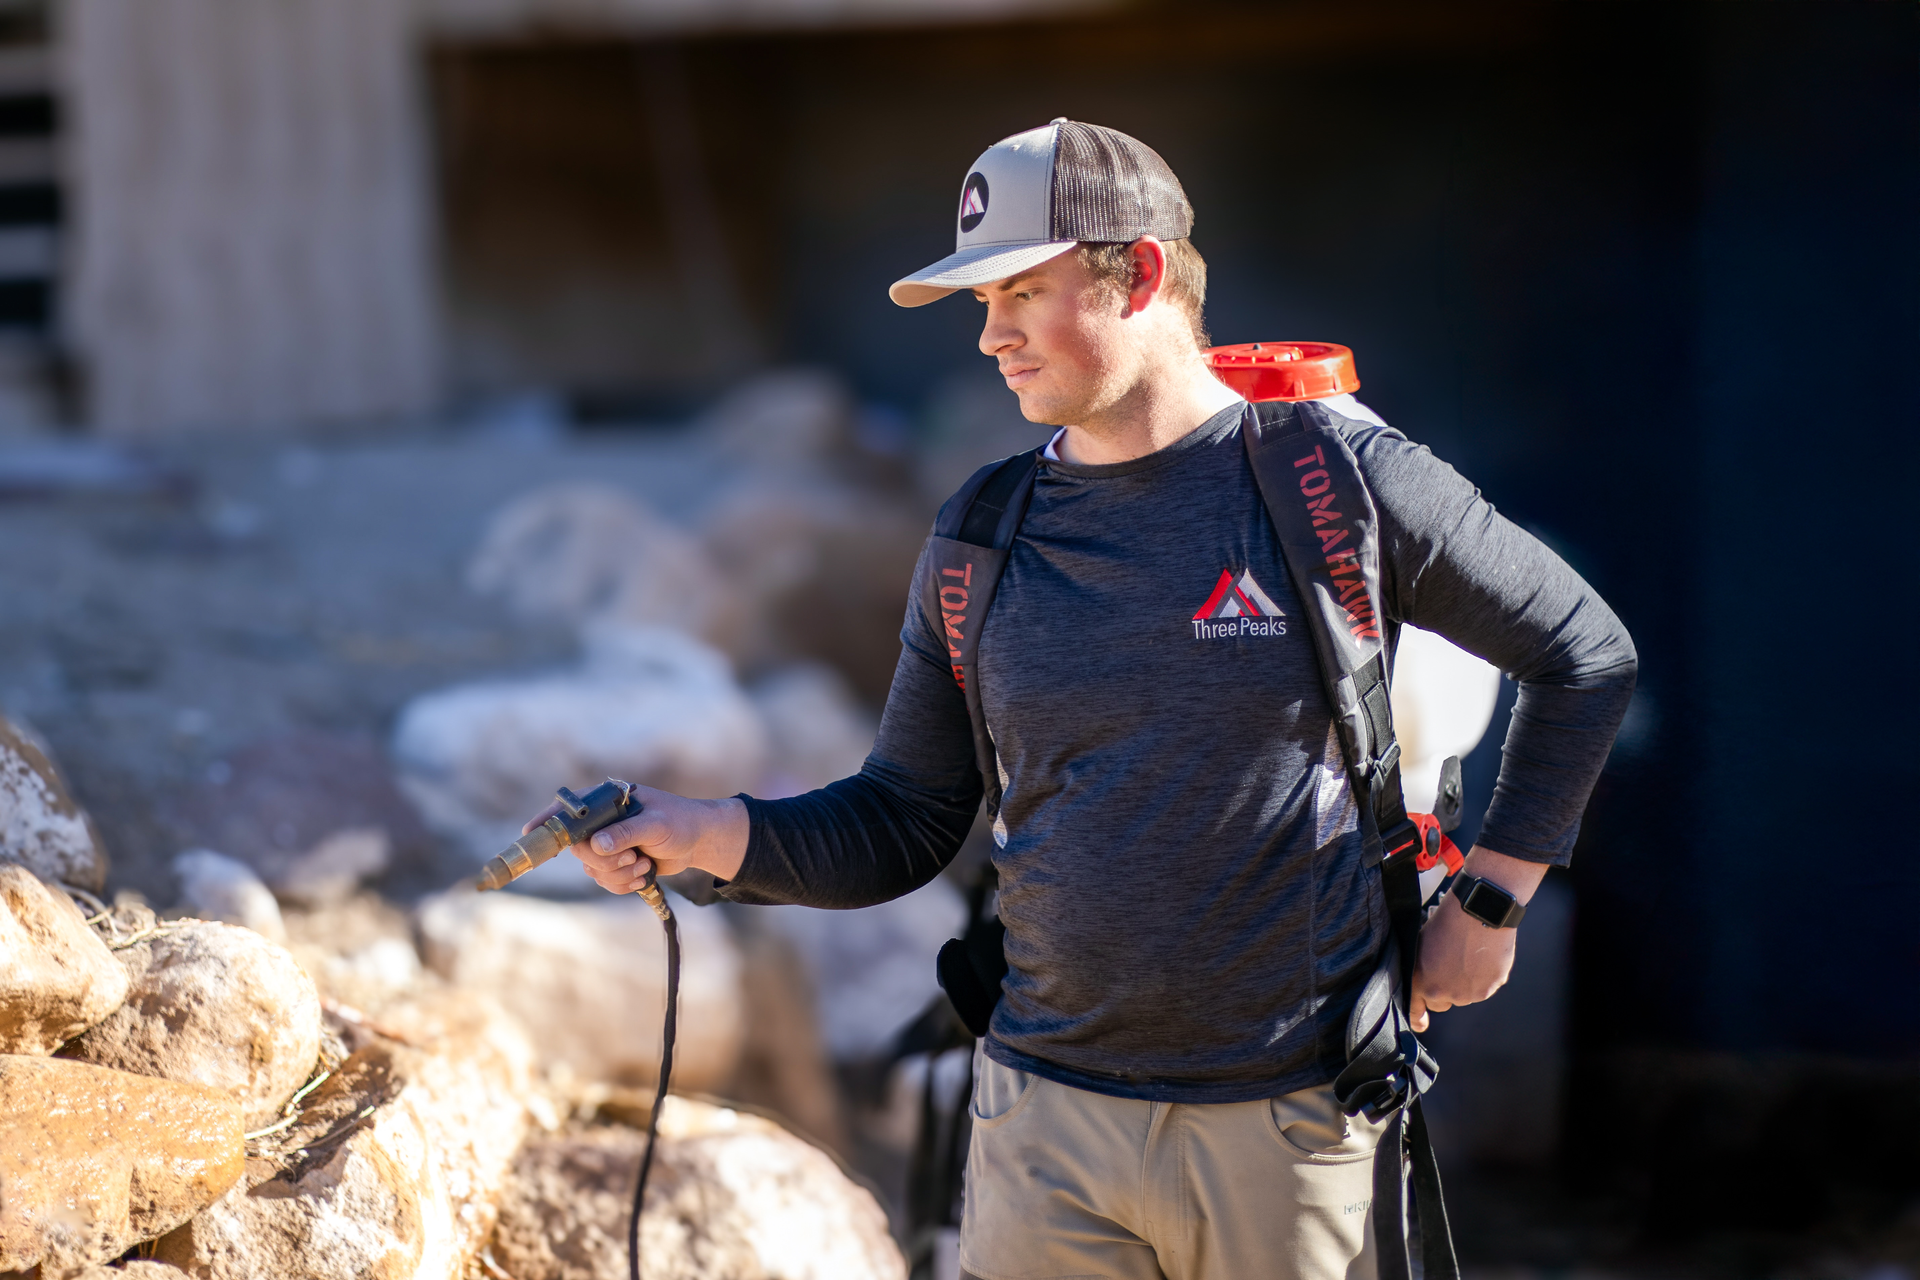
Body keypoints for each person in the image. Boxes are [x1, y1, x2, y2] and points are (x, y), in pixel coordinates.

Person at [530, 120, 1637, 1280]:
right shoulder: (980, 532)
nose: (992, 335)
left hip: (1291, 1121)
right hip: (1040, 1126)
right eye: (981, 302)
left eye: (1021, 290)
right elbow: (905, 815)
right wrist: (706, 830)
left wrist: (1494, 898)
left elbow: (1584, 653)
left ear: (1142, 272)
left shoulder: (1336, 480)